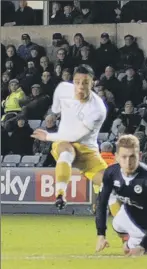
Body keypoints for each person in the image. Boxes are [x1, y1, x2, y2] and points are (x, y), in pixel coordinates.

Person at [31, 64, 108, 211]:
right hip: (65, 142)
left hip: (87, 151)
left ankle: (124, 231)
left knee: (110, 185)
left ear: (93, 83)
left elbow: (76, 134)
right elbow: (55, 107)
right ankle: (60, 194)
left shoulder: (97, 109)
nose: (81, 86)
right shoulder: (63, 89)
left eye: (86, 82)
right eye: (77, 82)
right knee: (66, 152)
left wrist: (48, 136)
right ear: (73, 81)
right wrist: (55, 111)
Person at [95, 134, 147, 256]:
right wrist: (101, 235)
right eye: (124, 157)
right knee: (116, 224)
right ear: (116, 157)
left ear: (140, 156)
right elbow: (102, 203)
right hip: (127, 213)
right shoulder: (111, 173)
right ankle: (131, 240)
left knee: (129, 251)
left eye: (132, 157)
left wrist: (143, 246)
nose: (128, 162)